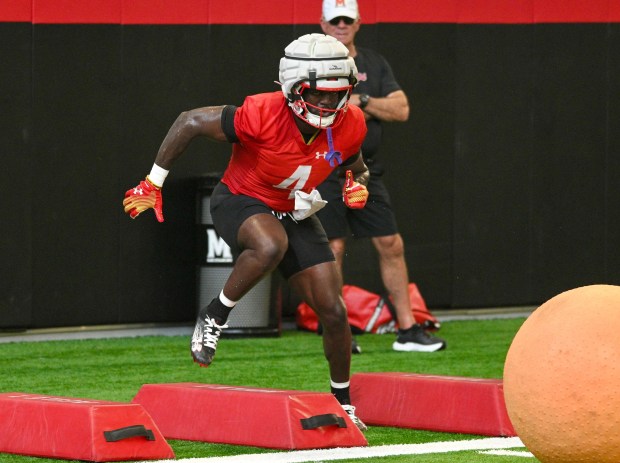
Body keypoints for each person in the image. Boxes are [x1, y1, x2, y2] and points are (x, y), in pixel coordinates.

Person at [122, 33, 370, 430]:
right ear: (293, 87)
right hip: (241, 199)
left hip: (293, 208)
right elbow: (188, 121)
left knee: (335, 312)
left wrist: (356, 182)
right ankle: (215, 314)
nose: (328, 104)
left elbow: (354, 164)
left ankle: (343, 403)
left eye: (337, 94)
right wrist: (153, 182)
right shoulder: (261, 113)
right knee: (271, 244)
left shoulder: (350, 122)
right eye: (319, 94)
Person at [318, 0, 446, 352]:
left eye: (347, 20)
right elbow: (313, 110)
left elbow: (401, 108)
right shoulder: (311, 59)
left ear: (358, 22)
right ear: (323, 24)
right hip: (325, 169)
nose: (341, 25)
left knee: (391, 244)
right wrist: (356, 106)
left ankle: (407, 330)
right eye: (335, 20)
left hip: (365, 171)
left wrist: (360, 101)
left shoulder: (373, 63)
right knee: (334, 246)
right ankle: (338, 332)